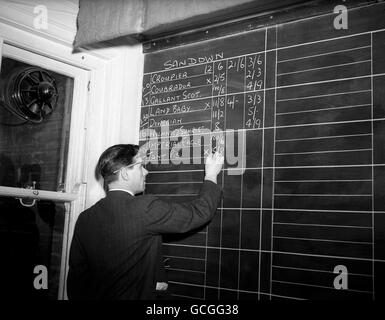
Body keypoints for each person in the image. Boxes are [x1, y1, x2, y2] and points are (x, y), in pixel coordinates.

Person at [67, 144, 223, 300]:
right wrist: (211, 176)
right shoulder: (144, 208)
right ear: (125, 174)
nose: (146, 171)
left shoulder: (85, 218)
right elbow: (198, 212)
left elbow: (76, 281)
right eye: (141, 166)